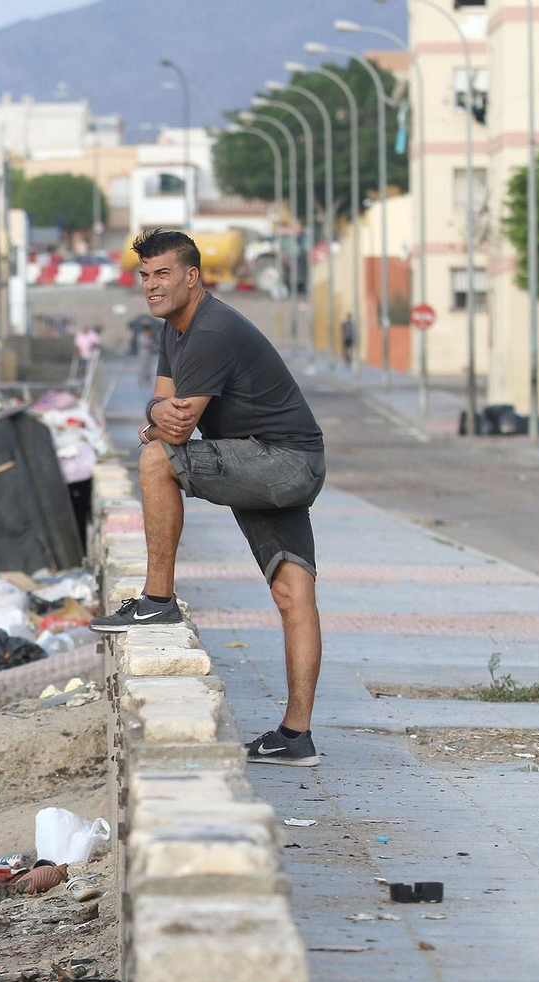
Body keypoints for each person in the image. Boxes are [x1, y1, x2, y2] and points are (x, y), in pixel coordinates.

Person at [89, 229, 327, 768]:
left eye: (163, 274)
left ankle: (157, 601)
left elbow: (171, 435)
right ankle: (296, 737)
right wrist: (157, 416)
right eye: (145, 276)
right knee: (295, 594)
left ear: (191, 277)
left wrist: (158, 424)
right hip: (282, 458)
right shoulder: (175, 330)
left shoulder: (212, 330)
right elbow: (163, 406)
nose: (151, 285)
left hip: (279, 461)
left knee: (155, 462)